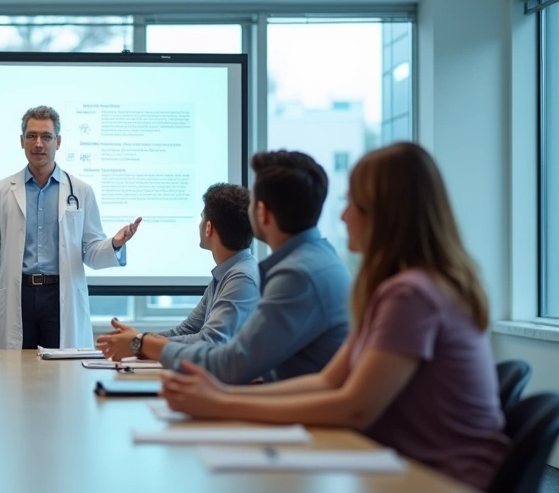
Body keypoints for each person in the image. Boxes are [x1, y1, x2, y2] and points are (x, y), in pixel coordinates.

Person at [161, 142, 508, 491]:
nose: (343, 217)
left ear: (384, 213)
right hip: (409, 464)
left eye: (352, 204)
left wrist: (221, 402)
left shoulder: (412, 294)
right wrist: (219, 396)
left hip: (442, 478)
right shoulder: (395, 287)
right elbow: (328, 381)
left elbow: (355, 407)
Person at [0, 106, 142, 350]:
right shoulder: (1, 191)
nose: (39, 144)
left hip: (59, 295)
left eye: (46, 137)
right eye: (32, 136)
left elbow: (91, 253)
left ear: (58, 142)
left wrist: (115, 243)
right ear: (22, 141)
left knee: (63, 375)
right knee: (15, 374)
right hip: (18, 294)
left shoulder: (81, 191)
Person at [143, 151, 350, 383]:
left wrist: (143, 344)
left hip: (300, 415)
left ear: (261, 213)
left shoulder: (297, 275)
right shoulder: (319, 260)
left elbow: (232, 362)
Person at [96, 183, 259, 360]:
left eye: (202, 218)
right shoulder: (227, 273)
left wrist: (138, 343)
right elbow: (186, 330)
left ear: (208, 228)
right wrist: (136, 340)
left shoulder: (242, 278)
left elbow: (209, 341)